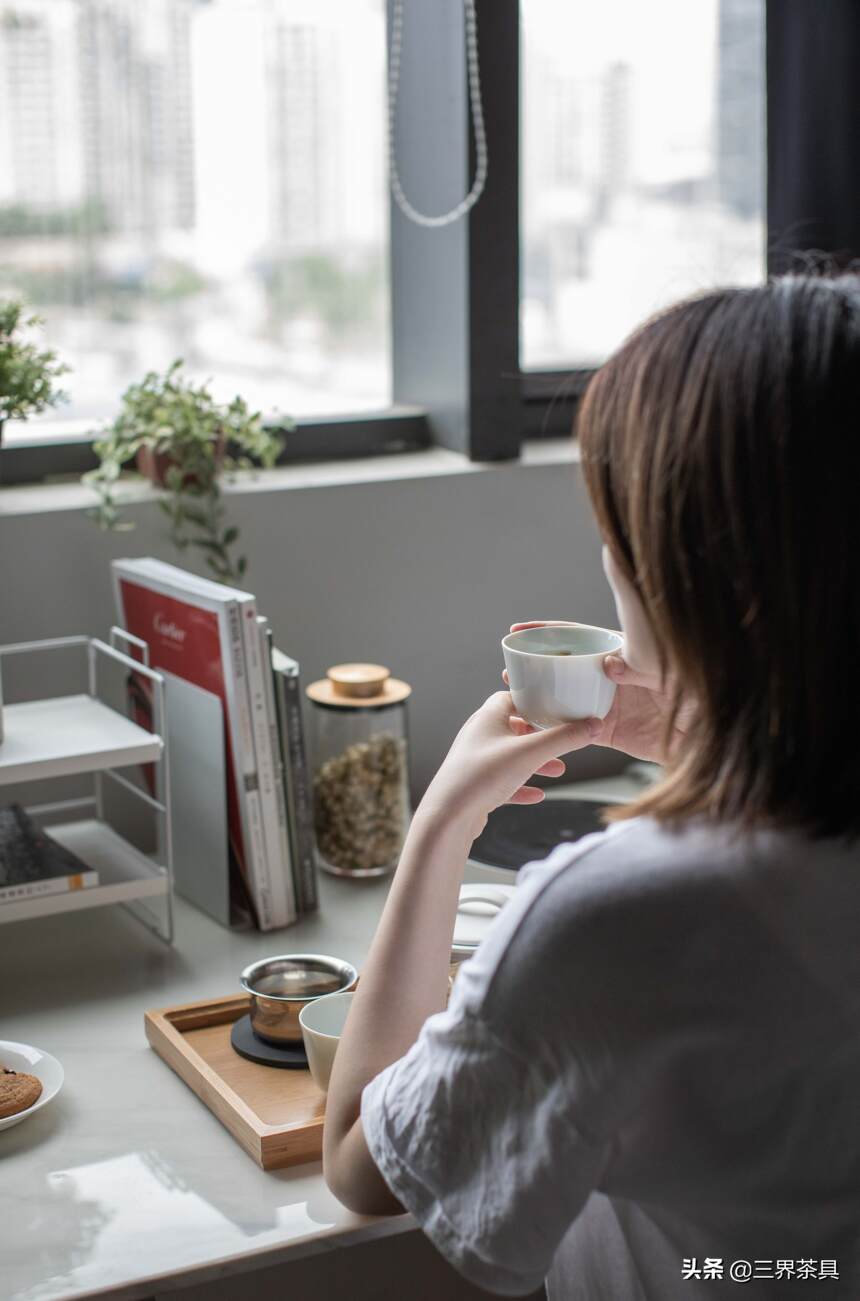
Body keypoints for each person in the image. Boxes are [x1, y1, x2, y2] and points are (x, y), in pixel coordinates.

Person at [322, 275, 860, 1300]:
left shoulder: (622, 912)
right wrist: (716, 740)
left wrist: (441, 820)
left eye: (626, 530)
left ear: (711, 586)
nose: (610, 556)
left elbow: (360, 1165)